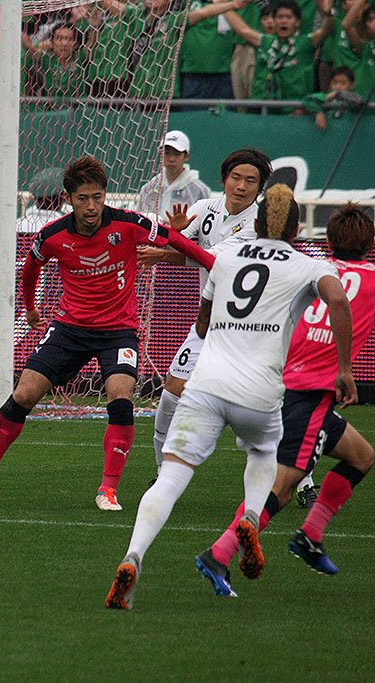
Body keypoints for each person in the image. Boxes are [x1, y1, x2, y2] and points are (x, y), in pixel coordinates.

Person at [105, 184, 355, 610]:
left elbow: (202, 325)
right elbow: (338, 300)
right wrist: (344, 369)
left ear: (255, 222)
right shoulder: (308, 266)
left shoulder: (226, 256)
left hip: (207, 385)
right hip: (260, 392)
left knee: (170, 478)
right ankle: (252, 519)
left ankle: (134, 555)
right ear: (296, 231)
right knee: (263, 454)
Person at [0, 156, 216, 512]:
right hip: (69, 329)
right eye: (82, 198)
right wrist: (30, 308)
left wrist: (215, 265)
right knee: (24, 394)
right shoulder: (52, 235)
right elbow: (31, 267)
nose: (91, 206)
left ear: (105, 194)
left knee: (120, 398)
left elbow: (174, 239)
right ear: (68, 198)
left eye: (97, 197)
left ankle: (108, 489)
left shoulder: (129, 224)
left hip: (118, 331)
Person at [193, 203, 375, 595]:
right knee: (282, 487)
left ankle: (310, 535)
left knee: (361, 456)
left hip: (275, 380)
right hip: (308, 393)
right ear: (370, 244)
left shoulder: (310, 269)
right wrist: (345, 368)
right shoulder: (367, 280)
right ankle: (219, 553)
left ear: (328, 241)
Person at [138, 148, 271, 476]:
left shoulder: (259, 223)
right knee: (171, 394)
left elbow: (211, 260)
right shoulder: (202, 209)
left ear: (260, 187)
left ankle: (301, 480)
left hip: (249, 328)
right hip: (208, 323)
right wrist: (172, 239)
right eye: (236, 177)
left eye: (250, 181)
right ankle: (162, 473)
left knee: (266, 412)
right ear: (224, 179)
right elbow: (186, 250)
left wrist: (171, 242)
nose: (241, 186)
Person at [224, 0, 334, 103]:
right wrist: (224, 5)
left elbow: (325, 31)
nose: (283, 21)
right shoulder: (265, 41)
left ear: (297, 22)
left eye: (288, 17)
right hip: (264, 107)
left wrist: (328, 14)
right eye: (280, 17)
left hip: (295, 109)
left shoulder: (306, 43)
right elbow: (242, 29)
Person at [135, 130, 211, 218]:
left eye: (177, 154)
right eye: (167, 153)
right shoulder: (149, 188)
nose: (171, 159)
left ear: (186, 157)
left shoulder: (199, 190)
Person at [302, 65, 365, 131]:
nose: (338, 86)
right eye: (335, 83)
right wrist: (319, 113)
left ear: (351, 85)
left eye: (343, 83)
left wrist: (339, 94)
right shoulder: (326, 96)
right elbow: (307, 99)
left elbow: (360, 102)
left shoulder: (354, 97)